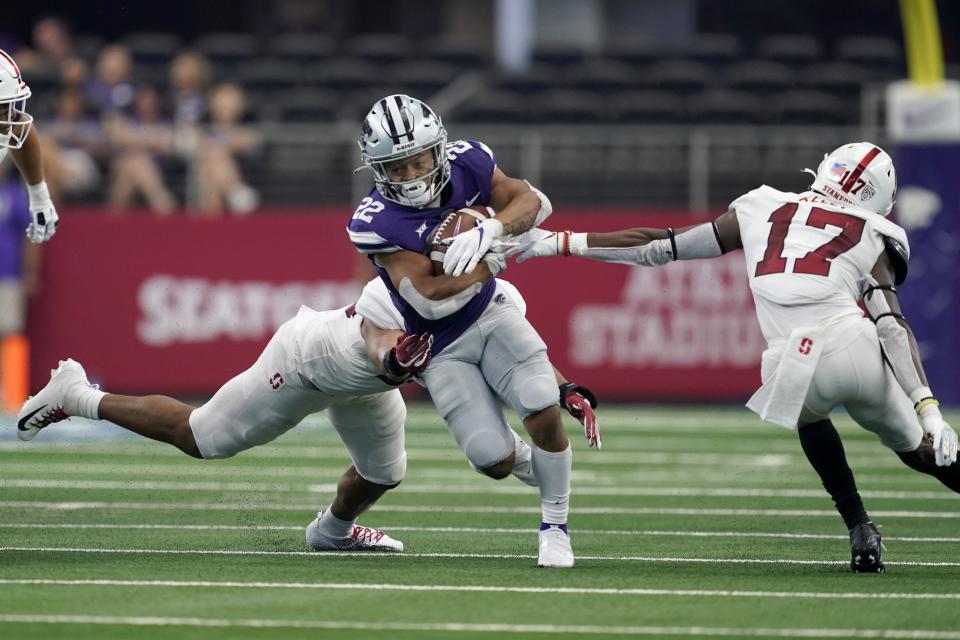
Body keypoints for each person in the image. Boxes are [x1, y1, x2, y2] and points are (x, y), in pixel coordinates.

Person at [509, 142, 959, 573]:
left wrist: (556, 243)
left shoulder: (762, 206)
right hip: (852, 348)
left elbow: (658, 246)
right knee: (921, 449)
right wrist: (928, 406)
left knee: (810, 415)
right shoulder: (872, 232)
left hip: (792, 364)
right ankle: (896, 485)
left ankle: (859, 526)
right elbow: (889, 324)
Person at [18, 277, 433, 552]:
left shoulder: (473, 289)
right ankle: (75, 395)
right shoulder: (419, 260)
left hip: (364, 381)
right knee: (203, 437)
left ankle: (332, 532)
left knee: (383, 471)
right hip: (312, 362)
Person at [348, 94, 582, 568]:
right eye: (397, 168)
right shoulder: (375, 221)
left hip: (488, 310)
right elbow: (428, 294)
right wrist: (493, 258)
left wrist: (491, 229)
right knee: (490, 460)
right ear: (376, 169)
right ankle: (525, 458)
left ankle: (555, 526)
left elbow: (534, 201)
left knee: (539, 400)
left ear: (439, 150)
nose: (411, 176)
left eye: (418, 162)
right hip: (439, 343)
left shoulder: (469, 162)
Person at [0, 48, 59, 244]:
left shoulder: (10, 124)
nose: (9, 120)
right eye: (1, 110)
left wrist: (39, 197)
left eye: (8, 107)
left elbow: (22, 131)